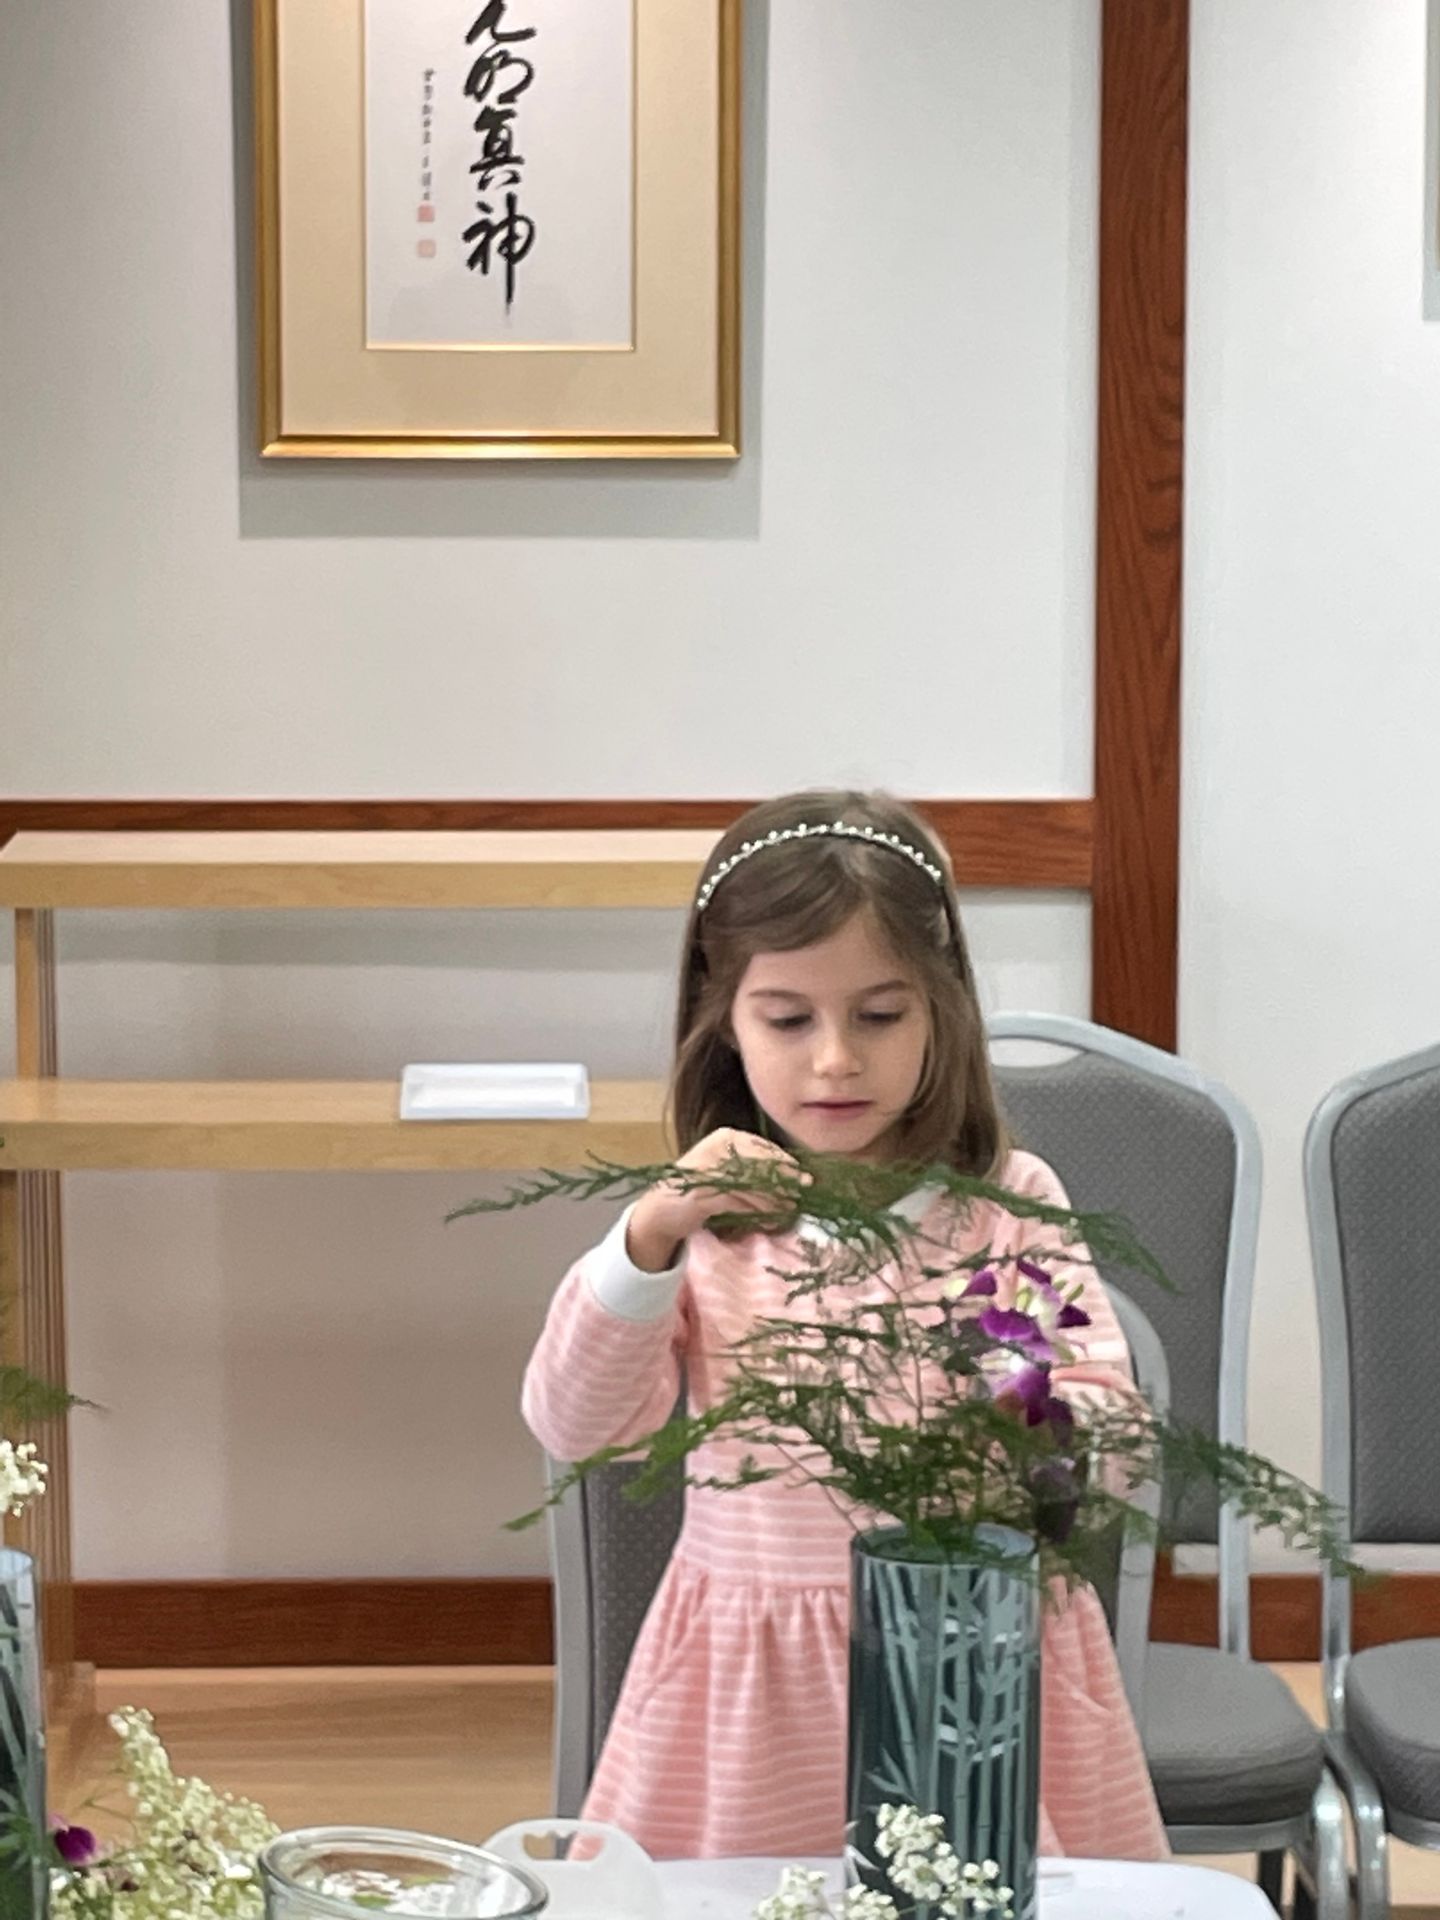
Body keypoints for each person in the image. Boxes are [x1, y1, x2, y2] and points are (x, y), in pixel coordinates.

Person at [521, 789, 1167, 1862]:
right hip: (750, 1702)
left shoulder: (1001, 1206)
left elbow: (1094, 1435)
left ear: (942, 1011)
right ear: (722, 1020)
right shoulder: (713, 1227)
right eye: (787, 1018)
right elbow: (575, 1422)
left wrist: (1014, 1442)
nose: (834, 1060)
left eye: (879, 1015)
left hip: (971, 1661)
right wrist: (649, 1234)